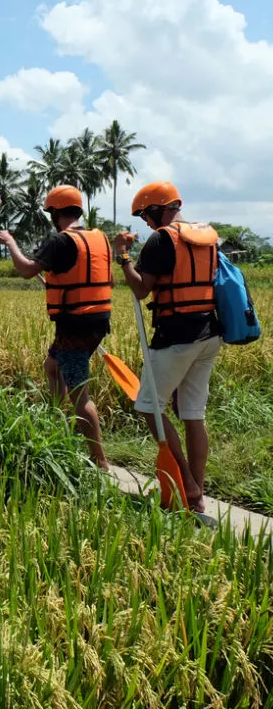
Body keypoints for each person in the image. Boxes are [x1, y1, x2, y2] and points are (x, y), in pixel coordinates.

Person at [113, 181, 220, 513]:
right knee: (193, 413)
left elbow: (141, 289)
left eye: (146, 214)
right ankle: (197, 495)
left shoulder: (161, 239)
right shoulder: (204, 237)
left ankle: (187, 485)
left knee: (149, 406)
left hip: (176, 337)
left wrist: (123, 257)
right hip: (209, 333)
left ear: (158, 210)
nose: (146, 222)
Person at [0, 186, 111, 470]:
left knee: (79, 393)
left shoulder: (60, 241)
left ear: (55, 213)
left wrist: (10, 242)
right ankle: (59, 429)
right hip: (97, 319)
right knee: (52, 366)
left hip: (74, 324)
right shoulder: (99, 237)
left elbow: (26, 270)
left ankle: (101, 462)